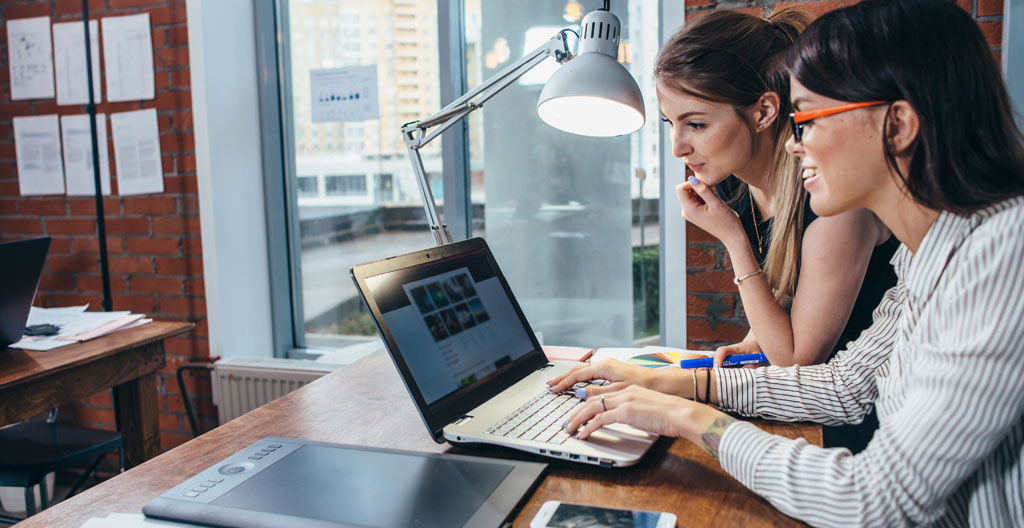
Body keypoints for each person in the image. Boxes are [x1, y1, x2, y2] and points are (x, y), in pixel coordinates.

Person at [550, 1, 1024, 525]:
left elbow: (872, 499)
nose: (795, 146)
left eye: (810, 119)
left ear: (898, 125)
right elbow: (844, 387)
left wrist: (690, 417)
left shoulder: (1003, 257)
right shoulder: (927, 259)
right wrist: (678, 385)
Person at [657, 7, 897, 453]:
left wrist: (732, 238)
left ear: (764, 111)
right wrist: (752, 344)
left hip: (856, 433)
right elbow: (787, 302)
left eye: (696, 124)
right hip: (805, 411)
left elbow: (794, 359)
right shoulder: (736, 184)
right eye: (671, 124)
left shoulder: (835, 200)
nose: (678, 147)